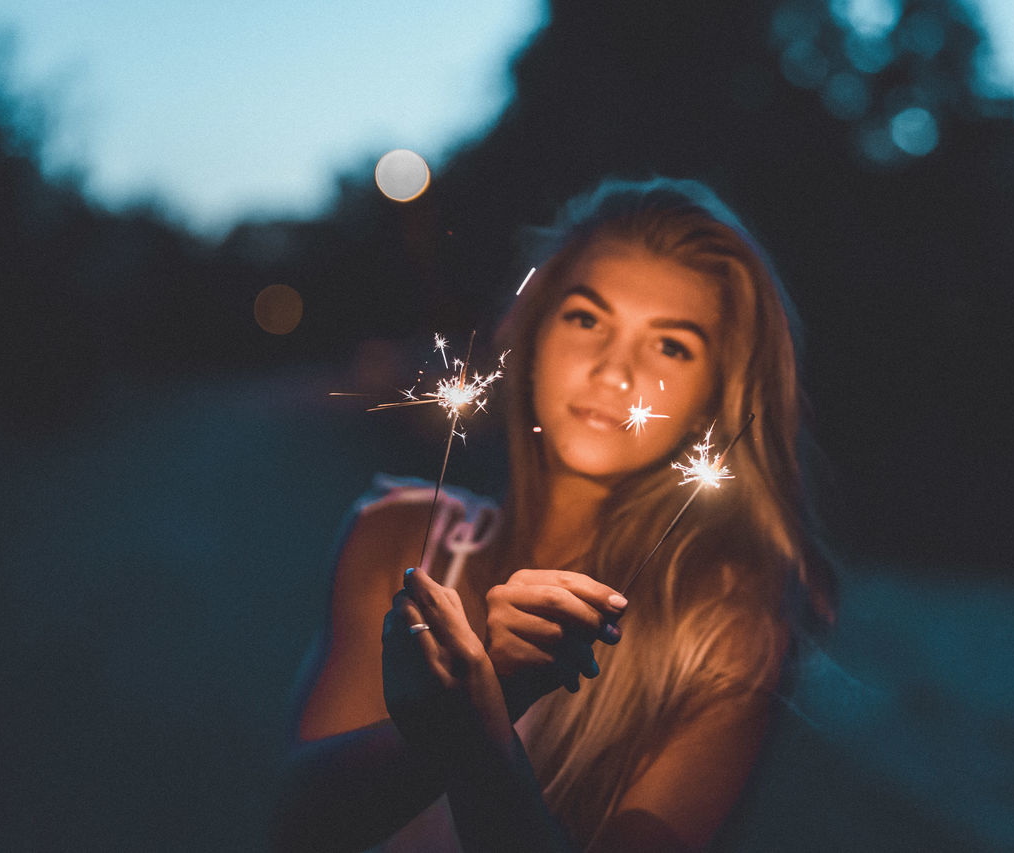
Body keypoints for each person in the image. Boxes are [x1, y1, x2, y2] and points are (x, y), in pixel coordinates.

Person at [274, 177, 836, 852]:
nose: (614, 370)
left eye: (671, 345)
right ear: (533, 332)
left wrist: (481, 733)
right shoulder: (398, 534)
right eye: (586, 318)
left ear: (710, 400)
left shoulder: (719, 633)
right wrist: (448, 721)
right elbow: (299, 827)